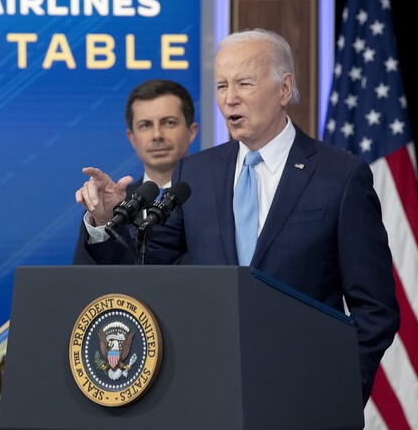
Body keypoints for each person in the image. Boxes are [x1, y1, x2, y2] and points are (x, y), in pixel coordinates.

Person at [74, 28, 399, 405]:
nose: (230, 99)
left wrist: (339, 392)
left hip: (304, 399)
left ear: (283, 88)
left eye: (244, 83)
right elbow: (143, 270)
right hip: (209, 397)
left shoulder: (339, 176)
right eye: (221, 85)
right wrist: (105, 220)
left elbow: (375, 308)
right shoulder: (194, 174)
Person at [73, 79, 198, 264]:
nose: (157, 135)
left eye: (169, 123)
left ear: (192, 132)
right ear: (132, 138)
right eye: (145, 125)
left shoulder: (218, 196)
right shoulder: (114, 206)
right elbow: (85, 282)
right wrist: (103, 220)